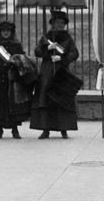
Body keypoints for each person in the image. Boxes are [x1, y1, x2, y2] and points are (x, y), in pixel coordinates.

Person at [31, 10, 80, 139]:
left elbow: (74, 53)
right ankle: (45, 129)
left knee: (62, 100)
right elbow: (37, 51)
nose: (59, 25)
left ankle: (64, 129)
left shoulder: (67, 38)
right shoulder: (46, 37)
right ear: (52, 23)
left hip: (61, 72)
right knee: (45, 100)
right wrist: (47, 49)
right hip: (47, 72)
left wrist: (62, 58)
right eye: (57, 22)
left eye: (62, 23)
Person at [0, 21, 31, 139]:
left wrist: (17, 60)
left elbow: (22, 59)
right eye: (3, 31)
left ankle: (15, 130)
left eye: (8, 31)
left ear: (12, 32)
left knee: (13, 103)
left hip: (13, 77)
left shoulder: (16, 44)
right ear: (0, 32)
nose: (5, 33)